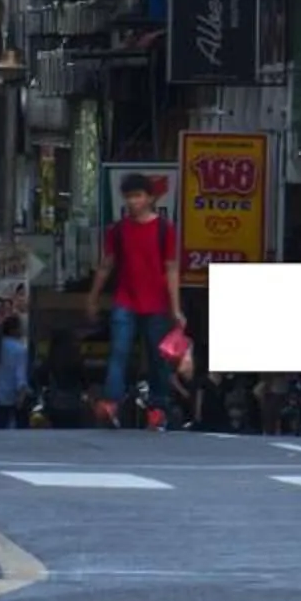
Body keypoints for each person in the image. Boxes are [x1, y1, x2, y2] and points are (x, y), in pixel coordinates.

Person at [87, 172, 181, 421]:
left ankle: (158, 407)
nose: (133, 202)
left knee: (157, 357)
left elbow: (171, 268)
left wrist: (176, 307)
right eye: (129, 197)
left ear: (150, 198)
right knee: (119, 352)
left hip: (157, 305)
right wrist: (93, 297)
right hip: (125, 301)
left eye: (138, 196)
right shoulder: (118, 231)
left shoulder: (164, 229)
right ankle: (111, 403)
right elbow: (106, 265)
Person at [0, 314, 30, 429]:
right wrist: (22, 395)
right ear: (15, 330)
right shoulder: (20, 349)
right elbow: (20, 375)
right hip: (13, 397)